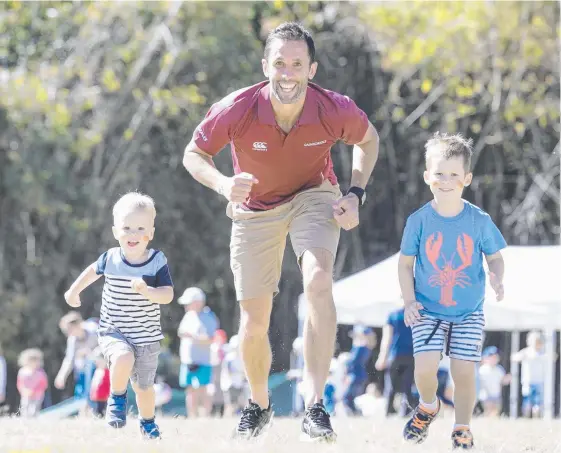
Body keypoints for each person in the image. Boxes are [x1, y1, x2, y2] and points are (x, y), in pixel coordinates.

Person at [182, 21, 379, 442]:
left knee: (319, 282)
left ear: (312, 69)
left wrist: (356, 193)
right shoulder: (237, 107)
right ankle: (258, 405)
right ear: (265, 66)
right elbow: (194, 153)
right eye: (279, 63)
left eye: (296, 63)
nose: (287, 72)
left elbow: (369, 140)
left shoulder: (333, 108)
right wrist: (222, 184)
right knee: (253, 323)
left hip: (314, 194)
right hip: (254, 208)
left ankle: (315, 405)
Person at [398, 132, 506, 449]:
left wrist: (497, 277)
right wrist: (408, 301)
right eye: (439, 174)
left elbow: (495, 258)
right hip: (427, 309)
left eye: (454, 175)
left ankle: (462, 427)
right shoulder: (418, 221)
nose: (446, 181)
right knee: (425, 369)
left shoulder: (479, 220)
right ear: (426, 176)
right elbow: (405, 265)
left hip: (468, 310)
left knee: (464, 371)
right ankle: (428, 405)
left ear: (467, 178)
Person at [63, 192, 174, 439]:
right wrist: (73, 290)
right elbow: (92, 272)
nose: (133, 234)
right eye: (127, 228)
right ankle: (117, 398)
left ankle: (147, 422)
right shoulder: (111, 257)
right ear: (115, 231)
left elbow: (167, 295)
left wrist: (148, 291)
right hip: (115, 329)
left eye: (140, 228)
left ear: (151, 233)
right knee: (122, 357)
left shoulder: (156, 261)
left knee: (144, 388)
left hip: (146, 336)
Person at [177, 287, 219, 418]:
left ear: (198, 302)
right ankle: (192, 415)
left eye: (189, 302)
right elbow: (181, 332)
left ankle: (206, 415)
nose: (186, 305)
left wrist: (194, 337)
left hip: (204, 360)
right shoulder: (188, 315)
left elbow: (212, 338)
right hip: (188, 360)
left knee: (203, 388)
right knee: (190, 389)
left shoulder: (209, 317)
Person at [375, 307, 416, 416]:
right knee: (408, 386)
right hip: (411, 355)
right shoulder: (416, 314)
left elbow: (387, 338)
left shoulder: (393, 315)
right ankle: (404, 412)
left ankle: (387, 411)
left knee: (391, 386)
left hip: (395, 355)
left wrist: (382, 356)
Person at [54, 312, 99, 402]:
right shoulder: (72, 340)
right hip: (85, 368)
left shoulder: (93, 330)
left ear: (79, 324)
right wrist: (62, 375)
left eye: (70, 329)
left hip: (101, 364)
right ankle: (84, 407)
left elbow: (106, 346)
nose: (68, 333)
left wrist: (91, 353)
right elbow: (69, 359)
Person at [511, 330, 547, 418]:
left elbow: (552, 357)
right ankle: (526, 418)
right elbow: (514, 357)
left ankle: (536, 418)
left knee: (538, 403)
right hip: (528, 381)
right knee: (527, 402)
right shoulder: (526, 351)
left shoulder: (543, 353)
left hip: (539, 381)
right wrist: (523, 356)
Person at [343, 325, 375, 415]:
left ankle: (355, 413)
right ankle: (355, 413)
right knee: (351, 397)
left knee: (347, 397)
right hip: (359, 375)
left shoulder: (360, 347)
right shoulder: (366, 347)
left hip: (355, 375)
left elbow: (352, 362)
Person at [478, 346, 510, 417]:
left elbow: (502, 381)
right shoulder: (482, 370)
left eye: (496, 357)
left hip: (496, 394)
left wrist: (507, 379)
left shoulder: (499, 369)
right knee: (488, 409)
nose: (494, 359)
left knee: (496, 411)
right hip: (486, 395)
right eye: (491, 357)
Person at [17, 348, 48, 417]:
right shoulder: (22, 372)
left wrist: (35, 391)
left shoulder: (41, 373)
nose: (34, 363)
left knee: (34, 410)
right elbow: (20, 384)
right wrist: (24, 391)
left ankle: (33, 422)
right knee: (25, 409)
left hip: (38, 395)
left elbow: (44, 384)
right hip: (26, 395)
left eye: (36, 361)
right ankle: (25, 422)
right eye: (31, 361)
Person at [89, 347, 111, 418]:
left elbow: (109, 386)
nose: (96, 363)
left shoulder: (108, 372)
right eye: (95, 361)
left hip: (104, 399)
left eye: (98, 361)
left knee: (102, 413)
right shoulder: (97, 371)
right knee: (96, 413)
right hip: (95, 399)